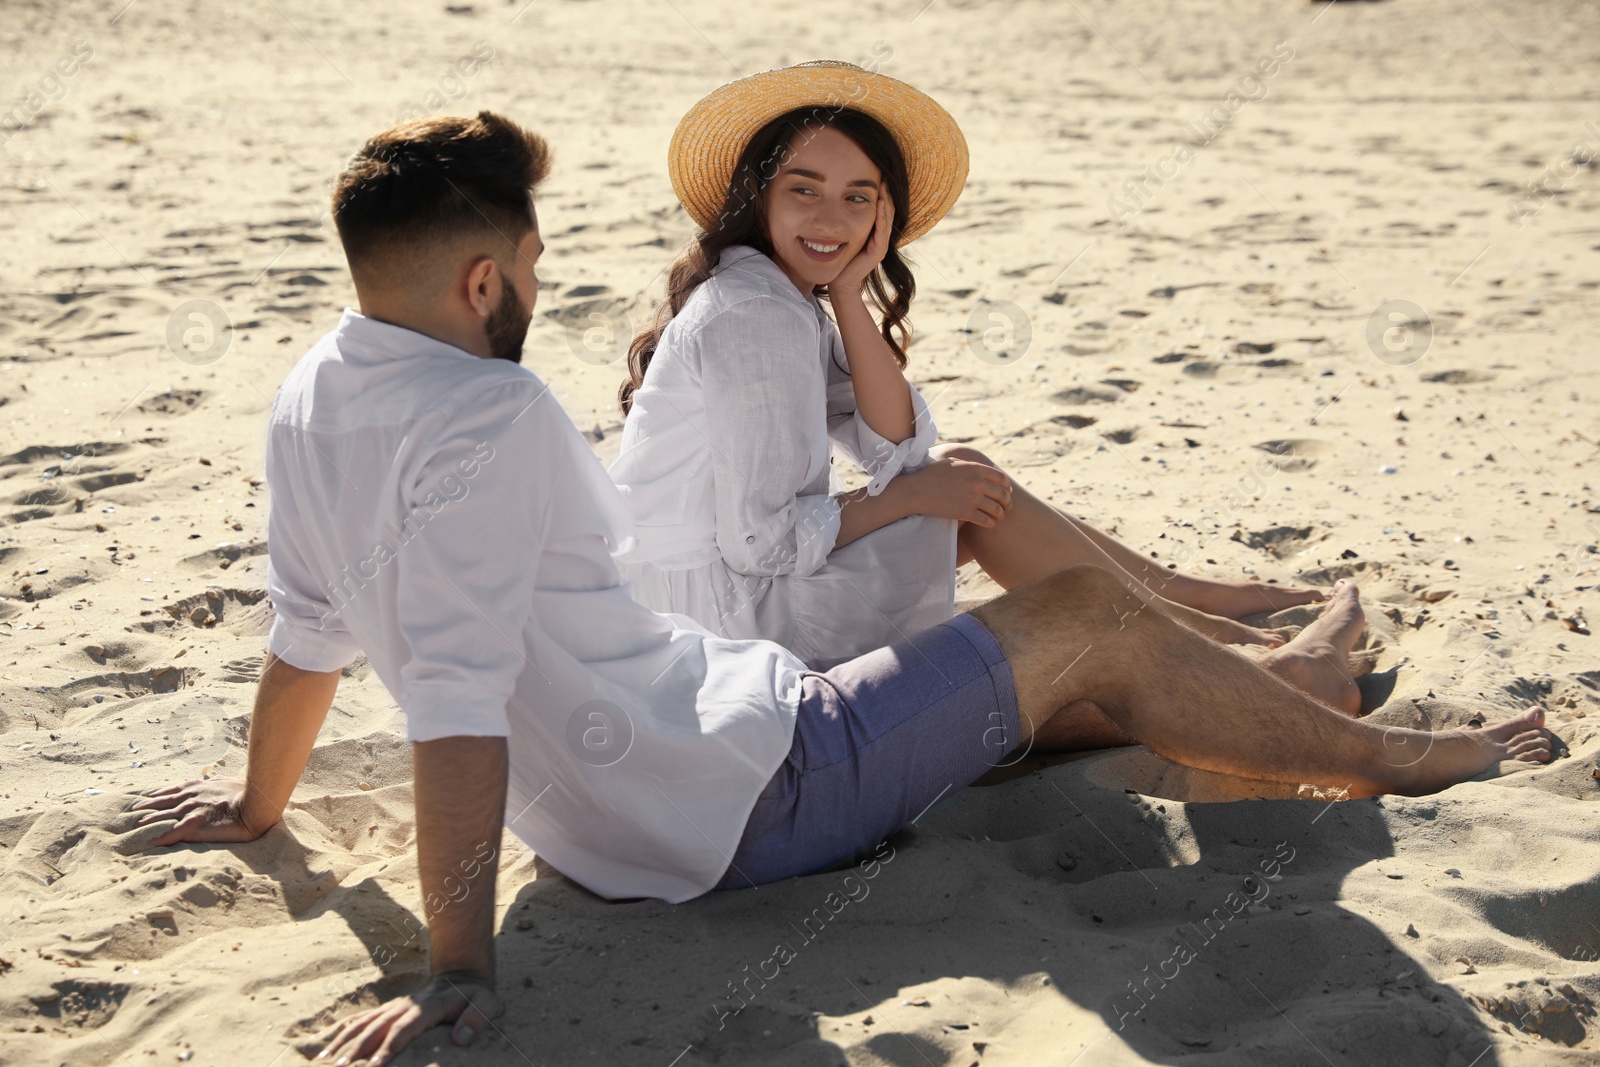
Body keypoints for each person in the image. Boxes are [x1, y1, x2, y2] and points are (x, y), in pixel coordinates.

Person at [129, 111, 1553, 1067]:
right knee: (1088, 619)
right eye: (538, 270)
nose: (548, 291)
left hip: (678, 769)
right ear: (488, 278)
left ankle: (1272, 680)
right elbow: (449, 707)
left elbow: (309, 632)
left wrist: (260, 809)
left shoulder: (314, 394)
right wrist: (460, 964)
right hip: (752, 789)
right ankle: (1410, 757)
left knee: (1058, 643)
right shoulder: (494, 419)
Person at [609, 61, 1329, 693]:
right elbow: (761, 543)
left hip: (728, 595)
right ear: (758, 195)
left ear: (882, 216)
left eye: (859, 198)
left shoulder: (783, 298)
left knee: (962, 476)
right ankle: (1194, 626)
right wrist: (914, 496)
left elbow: (894, 446)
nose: (831, 218)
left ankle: (1185, 600)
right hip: (722, 625)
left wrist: (854, 293)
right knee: (967, 491)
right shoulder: (753, 315)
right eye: (805, 189)